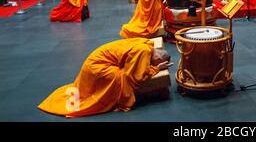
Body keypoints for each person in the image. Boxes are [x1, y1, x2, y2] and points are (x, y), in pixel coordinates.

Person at [38, 38, 172, 118]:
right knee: (119, 78)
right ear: (158, 58)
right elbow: (135, 76)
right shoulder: (144, 51)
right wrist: (156, 69)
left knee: (121, 74)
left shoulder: (147, 43)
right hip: (98, 68)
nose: (151, 63)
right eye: (154, 62)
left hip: (93, 61)